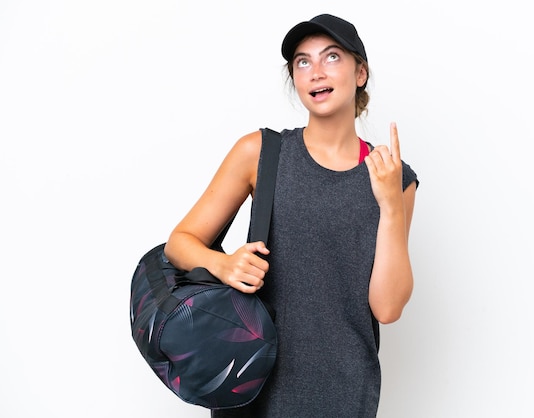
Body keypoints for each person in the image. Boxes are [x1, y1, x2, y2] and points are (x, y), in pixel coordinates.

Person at [164, 13, 418, 418]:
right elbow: (180, 243)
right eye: (303, 62)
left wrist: (389, 205)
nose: (316, 72)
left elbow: (387, 308)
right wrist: (224, 264)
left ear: (360, 73)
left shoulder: (394, 177)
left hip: (345, 392)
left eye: (331, 57)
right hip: (253, 387)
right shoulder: (261, 152)